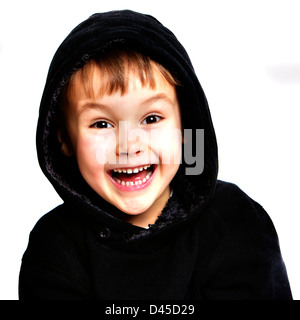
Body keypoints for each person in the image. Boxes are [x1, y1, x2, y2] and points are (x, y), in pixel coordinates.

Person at [19, 10, 292, 300]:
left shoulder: (234, 220)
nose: (129, 146)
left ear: (186, 126)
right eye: (101, 124)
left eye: (151, 119)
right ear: (65, 141)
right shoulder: (54, 245)